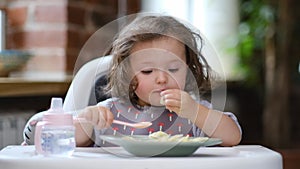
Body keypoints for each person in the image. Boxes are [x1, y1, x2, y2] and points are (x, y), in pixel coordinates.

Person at [74, 14, 242, 147]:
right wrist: (87, 120)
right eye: (147, 71)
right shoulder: (109, 113)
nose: (162, 79)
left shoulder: (193, 113)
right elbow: (65, 138)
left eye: (173, 69)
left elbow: (232, 137)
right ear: (127, 75)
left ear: (189, 69)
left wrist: (197, 112)